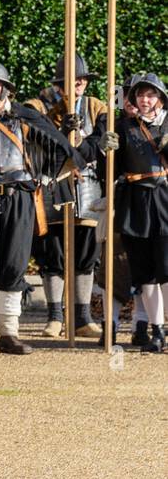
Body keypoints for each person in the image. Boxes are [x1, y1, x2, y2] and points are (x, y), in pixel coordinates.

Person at [0, 60, 85, 356]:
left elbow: (59, 152)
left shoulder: (26, 117)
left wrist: (64, 139)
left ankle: (8, 333)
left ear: (6, 89)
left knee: (15, 263)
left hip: (20, 197)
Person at [24, 54, 109, 339]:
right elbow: (35, 141)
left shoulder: (97, 107)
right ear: (59, 85)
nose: (76, 86)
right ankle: (54, 317)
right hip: (53, 185)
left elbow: (101, 142)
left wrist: (79, 149)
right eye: (70, 82)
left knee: (85, 255)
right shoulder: (38, 106)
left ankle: (82, 317)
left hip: (87, 186)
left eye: (81, 81)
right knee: (53, 255)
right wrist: (61, 132)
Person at [110, 73, 168, 352]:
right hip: (135, 201)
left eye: (150, 95)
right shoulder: (122, 127)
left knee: (167, 269)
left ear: (159, 98)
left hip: (165, 199)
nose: (145, 100)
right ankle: (156, 331)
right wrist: (104, 150)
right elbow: (109, 169)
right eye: (140, 95)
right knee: (145, 273)